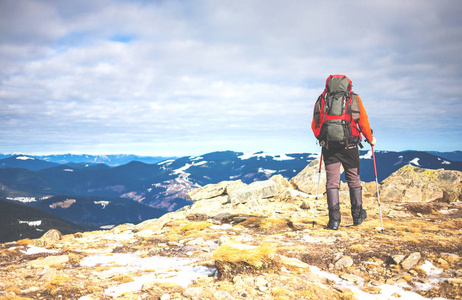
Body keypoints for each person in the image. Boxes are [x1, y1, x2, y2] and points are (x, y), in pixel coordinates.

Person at [311, 75, 376, 230]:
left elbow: (315, 124)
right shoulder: (354, 99)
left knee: (332, 182)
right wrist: (370, 139)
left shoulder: (322, 99)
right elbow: (363, 121)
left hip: (329, 147)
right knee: (353, 179)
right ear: (348, 86)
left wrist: (323, 138)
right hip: (350, 146)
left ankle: (334, 221)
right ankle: (357, 216)